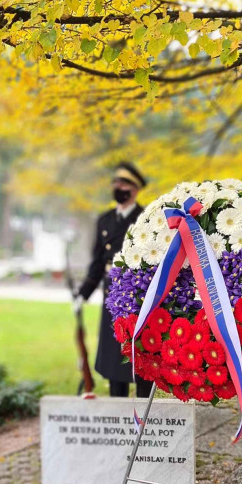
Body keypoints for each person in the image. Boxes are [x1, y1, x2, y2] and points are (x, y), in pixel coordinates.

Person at [73, 163, 151, 398]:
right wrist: (83, 294)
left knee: (140, 361)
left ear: (135, 189)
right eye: (116, 183)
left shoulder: (146, 219)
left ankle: (145, 418)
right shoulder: (105, 221)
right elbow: (98, 262)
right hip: (112, 299)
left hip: (137, 298)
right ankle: (118, 414)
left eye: (124, 184)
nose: (118, 187)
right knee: (115, 361)